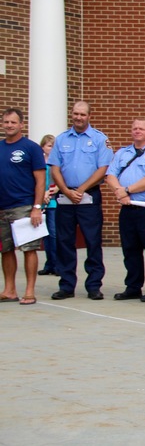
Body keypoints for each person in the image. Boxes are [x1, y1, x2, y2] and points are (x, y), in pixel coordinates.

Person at [48, 101, 114, 301]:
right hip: (65, 197)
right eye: (75, 114)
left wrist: (81, 189)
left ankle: (94, 285)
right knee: (64, 242)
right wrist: (67, 191)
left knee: (93, 242)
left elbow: (103, 168)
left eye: (82, 114)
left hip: (89, 196)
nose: (78, 117)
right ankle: (66, 285)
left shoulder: (99, 139)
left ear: (89, 116)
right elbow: (54, 168)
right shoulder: (61, 139)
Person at [106, 118, 145, 302]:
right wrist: (120, 193)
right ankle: (133, 286)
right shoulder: (122, 153)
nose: (137, 131)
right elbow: (110, 175)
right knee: (130, 249)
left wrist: (126, 190)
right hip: (127, 208)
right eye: (134, 128)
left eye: (141, 128)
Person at [0, 108, 46, 305]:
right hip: (3, 207)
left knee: (29, 249)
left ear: (21, 124)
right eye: (6, 122)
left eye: (13, 122)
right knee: (6, 250)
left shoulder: (31, 148)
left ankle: (29, 291)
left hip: (25, 206)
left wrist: (36, 206)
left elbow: (40, 180)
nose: (9, 125)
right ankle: (9, 290)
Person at [38, 134, 59, 277]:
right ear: (43, 147)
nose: (51, 148)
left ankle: (57, 264)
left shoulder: (56, 163)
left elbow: (59, 180)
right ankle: (49, 263)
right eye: (48, 145)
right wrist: (41, 195)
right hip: (41, 201)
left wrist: (53, 190)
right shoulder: (39, 163)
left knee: (53, 234)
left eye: (53, 146)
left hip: (53, 201)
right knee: (45, 235)